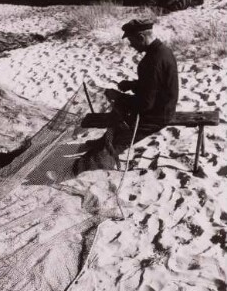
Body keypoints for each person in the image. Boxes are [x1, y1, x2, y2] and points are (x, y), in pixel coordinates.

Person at [73, 18, 179, 175]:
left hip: (157, 116)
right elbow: (155, 85)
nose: (131, 44)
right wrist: (132, 85)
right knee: (118, 114)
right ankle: (103, 141)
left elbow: (145, 104)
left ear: (141, 37)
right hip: (164, 107)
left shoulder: (151, 62)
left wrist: (119, 96)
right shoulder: (163, 51)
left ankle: (92, 163)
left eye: (131, 40)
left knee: (120, 136)